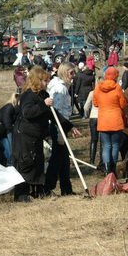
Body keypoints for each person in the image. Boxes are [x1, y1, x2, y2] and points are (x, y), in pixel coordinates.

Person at [12, 67, 53, 202]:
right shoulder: (28, 95)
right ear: (37, 81)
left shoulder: (44, 94)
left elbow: (51, 114)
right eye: (44, 80)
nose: (47, 83)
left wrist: (68, 126)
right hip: (24, 135)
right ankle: (21, 195)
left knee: (38, 163)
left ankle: (39, 191)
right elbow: (27, 112)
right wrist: (43, 105)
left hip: (37, 135)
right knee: (26, 163)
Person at [45, 63, 81, 195]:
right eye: (71, 73)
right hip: (58, 127)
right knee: (56, 159)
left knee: (64, 160)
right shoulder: (60, 89)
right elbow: (57, 112)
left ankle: (66, 189)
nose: (73, 76)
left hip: (62, 125)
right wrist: (60, 133)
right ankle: (47, 188)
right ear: (64, 73)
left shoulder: (63, 87)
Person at [93, 67, 128, 175]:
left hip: (103, 121)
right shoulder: (117, 87)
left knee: (106, 146)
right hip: (116, 120)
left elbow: (95, 103)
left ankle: (107, 169)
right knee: (115, 145)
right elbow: (123, 104)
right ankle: (113, 170)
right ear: (115, 76)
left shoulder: (98, 87)